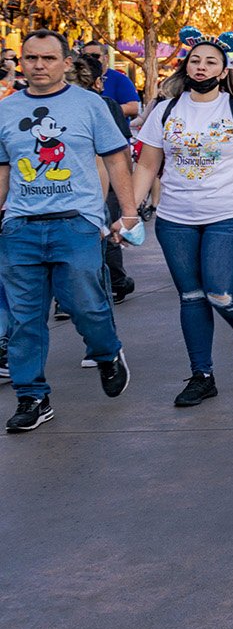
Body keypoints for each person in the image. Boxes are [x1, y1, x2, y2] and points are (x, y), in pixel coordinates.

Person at [132, 34, 233, 408]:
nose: (202, 66)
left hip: (227, 215)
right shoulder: (165, 109)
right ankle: (202, 375)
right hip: (174, 219)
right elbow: (148, 164)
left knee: (221, 292)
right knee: (192, 297)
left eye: (211, 61)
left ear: (224, 69)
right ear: (186, 65)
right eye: (196, 60)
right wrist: (130, 212)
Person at [0, 30, 135, 432]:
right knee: (24, 319)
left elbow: (116, 159)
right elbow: (3, 168)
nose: (38, 65)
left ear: (65, 63)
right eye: (30, 58)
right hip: (20, 225)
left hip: (76, 222)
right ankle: (32, 396)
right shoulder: (7, 109)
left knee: (85, 305)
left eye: (47, 58)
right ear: (20, 62)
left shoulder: (90, 105)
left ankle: (107, 351)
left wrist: (127, 213)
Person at [70, 54, 138, 304]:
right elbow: (121, 151)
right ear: (99, 81)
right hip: (102, 181)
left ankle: (66, 299)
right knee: (106, 234)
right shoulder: (105, 105)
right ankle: (113, 284)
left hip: (66, 184)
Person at [79, 41, 141, 120]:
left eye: (95, 56)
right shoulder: (77, 79)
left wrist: (103, 110)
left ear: (106, 58)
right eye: (86, 56)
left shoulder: (120, 79)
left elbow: (133, 108)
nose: (90, 59)